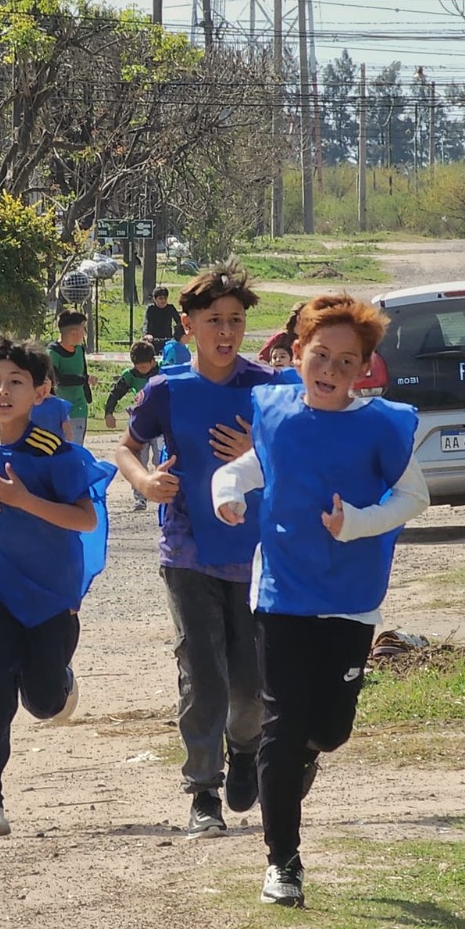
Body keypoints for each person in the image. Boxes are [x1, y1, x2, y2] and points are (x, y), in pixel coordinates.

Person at [212, 293, 428, 908]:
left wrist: (358, 522)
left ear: (364, 369)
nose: (330, 370)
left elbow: (414, 498)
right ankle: (283, 862)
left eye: (346, 361)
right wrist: (226, 492)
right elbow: (248, 470)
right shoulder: (277, 414)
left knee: (329, 730)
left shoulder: (382, 424)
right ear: (297, 353)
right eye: (320, 355)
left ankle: (304, 756)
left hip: (352, 598)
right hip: (281, 590)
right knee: (280, 724)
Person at [113, 263, 300, 840]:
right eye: (213, 320)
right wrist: (145, 483)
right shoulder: (166, 388)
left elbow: (303, 452)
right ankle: (202, 791)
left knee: (250, 683)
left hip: (255, 556)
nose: (226, 331)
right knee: (202, 676)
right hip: (187, 550)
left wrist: (260, 444)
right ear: (188, 325)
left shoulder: (270, 387)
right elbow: (127, 448)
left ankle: (244, 752)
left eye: (236, 321)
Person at [0, 337, 116, 842]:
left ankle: (60, 684)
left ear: (41, 391)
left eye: (17, 382)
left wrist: (25, 500)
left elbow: (86, 519)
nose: (3, 391)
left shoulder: (56, 454)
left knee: (44, 702)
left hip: (50, 590)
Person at [104, 340, 161, 511]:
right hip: (141, 425)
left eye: (145, 366)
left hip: (161, 424)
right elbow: (115, 394)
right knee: (139, 461)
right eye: (139, 367)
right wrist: (109, 412)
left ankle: (161, 492)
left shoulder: (162, 371)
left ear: (153, 361)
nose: (142, 370)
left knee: (161, 458)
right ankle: (140, 497)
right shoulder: (130, 375)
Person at [48, 311, 92, 444]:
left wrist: (87, 386)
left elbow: (83, 374)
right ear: (74, 333)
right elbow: (56, 379)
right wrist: (82, 379)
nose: (85, 333)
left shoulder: (80, 350)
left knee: (76, 448)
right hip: (57, 410)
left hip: (78, 408)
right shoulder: (52, 352)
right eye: (83, 328)